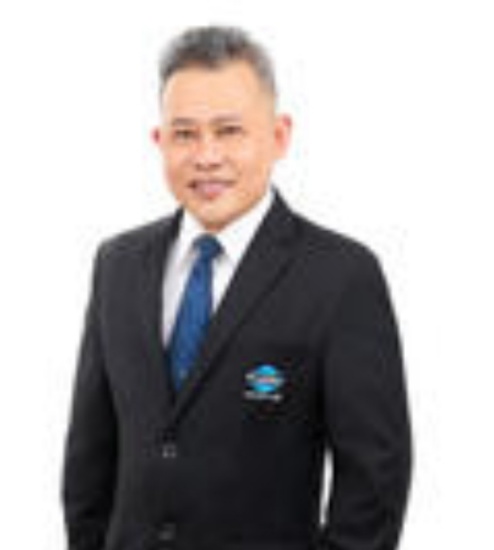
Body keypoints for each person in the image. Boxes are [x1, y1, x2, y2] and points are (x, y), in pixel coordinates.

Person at [62, 25, 412, 550]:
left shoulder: (340, 276)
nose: (206, 156)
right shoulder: (117, 265)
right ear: (160, 141)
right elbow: (90, 459)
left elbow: (374, 483)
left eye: (229, 131)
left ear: (279, 136)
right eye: (185, 134)